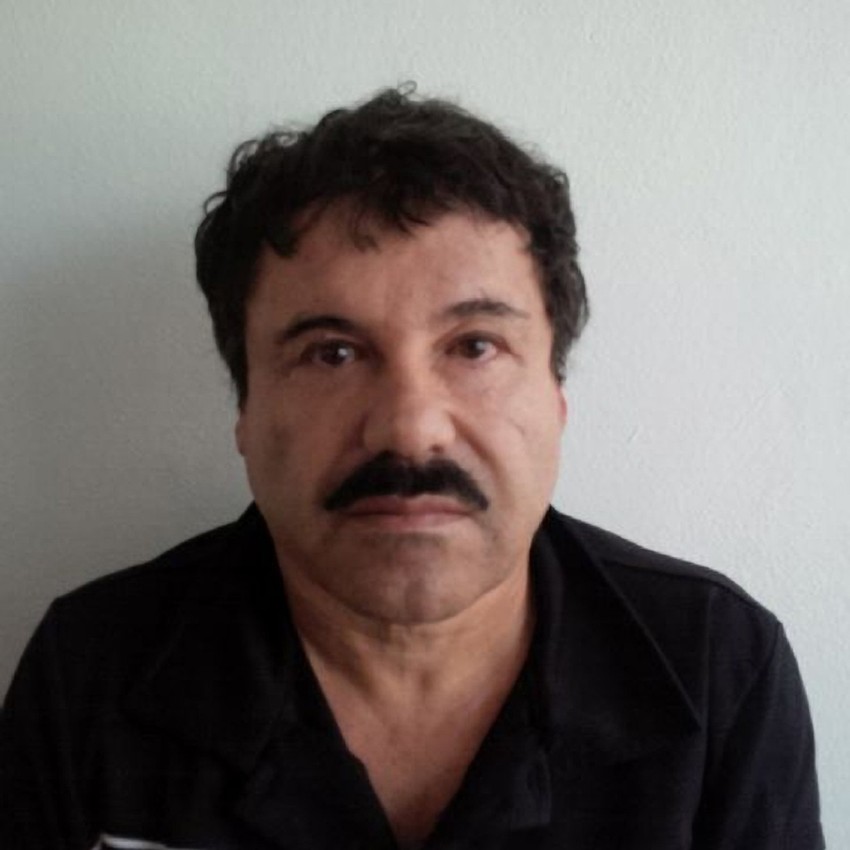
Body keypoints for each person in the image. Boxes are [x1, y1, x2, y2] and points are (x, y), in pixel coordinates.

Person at [0, 86, 823, 850]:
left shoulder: (717, 671)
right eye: (332, 353)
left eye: (475, 346)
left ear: (556, 396)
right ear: (244, 408)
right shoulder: (89, 676)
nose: (410, 430)